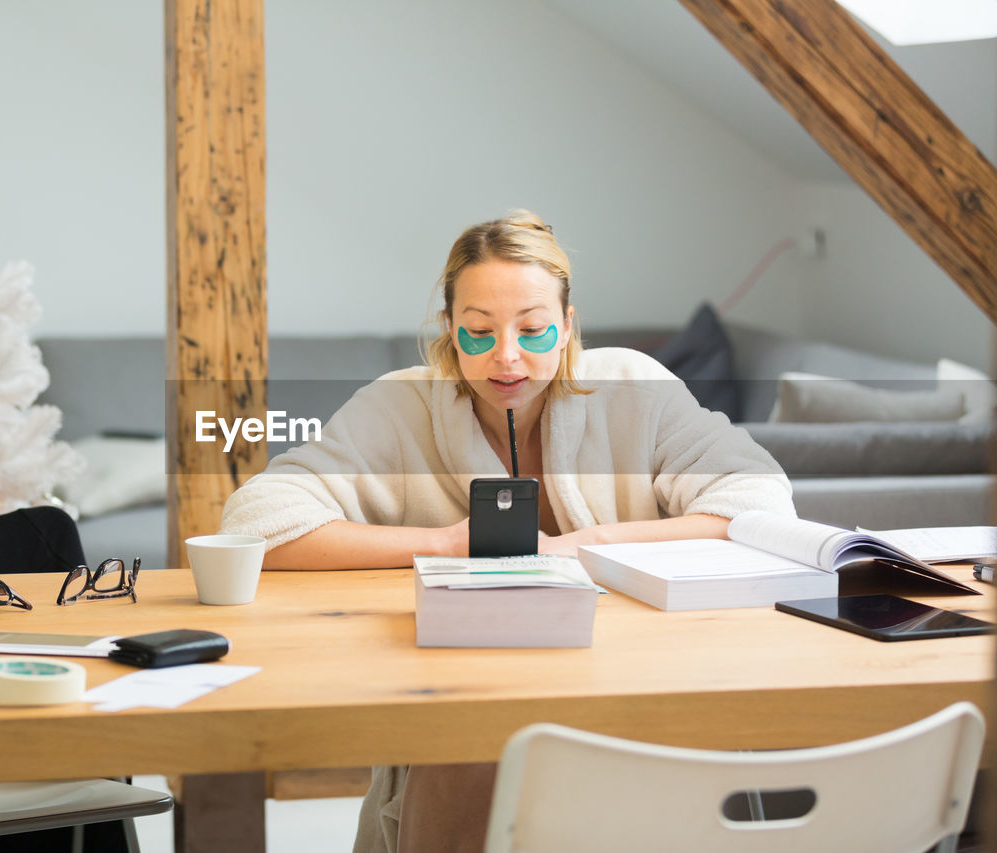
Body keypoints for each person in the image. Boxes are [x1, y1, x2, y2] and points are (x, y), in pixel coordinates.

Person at [219, 209, 794, 852]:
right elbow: (257, 518)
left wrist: (578, 547)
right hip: (468, 695)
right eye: (479, 332)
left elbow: (759, 501)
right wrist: (442, 544)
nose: (507, 357)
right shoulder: (396, 406)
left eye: (534, 329)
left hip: (633, 679)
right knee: (471, 754)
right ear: (448, 329)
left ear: (569, 326)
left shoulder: (636, 387)